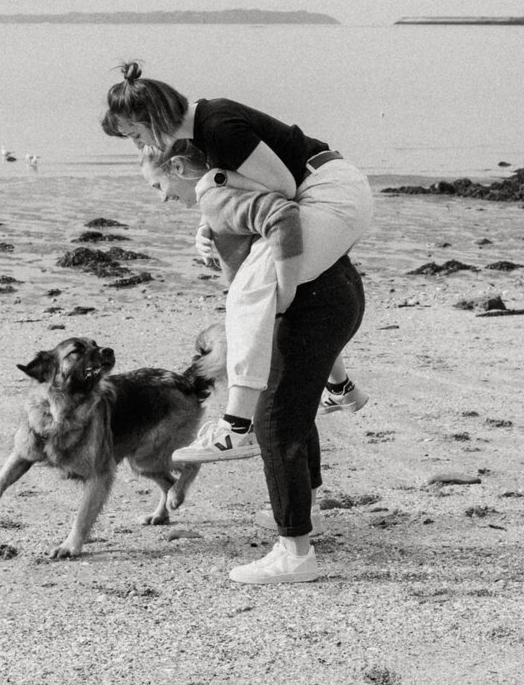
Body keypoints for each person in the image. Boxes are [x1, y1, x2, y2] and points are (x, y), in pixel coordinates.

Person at [103, 61, 372, 583]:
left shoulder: (218, 126)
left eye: (135, 134)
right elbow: (251, 198)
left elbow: (283, 195)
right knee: (260, 298)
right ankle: (337, 390)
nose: (136, 144)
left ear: (152, 117)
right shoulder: (206, 137)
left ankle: (235, 425)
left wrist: (269, 267)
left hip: (329, 192)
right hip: (329, 213)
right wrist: (215, 223)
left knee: (251, 293)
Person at [140, 142, 367, 466]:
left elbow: (278, 216)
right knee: (287, 365)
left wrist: (285, 286)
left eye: (158, 185)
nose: (161, 196)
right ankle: (341, 386)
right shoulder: (224, 188)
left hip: (318, 269)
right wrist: (208, 232)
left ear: (177, 168)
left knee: (248, 309)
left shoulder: (219, 193)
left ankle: (236, 427)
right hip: (338, 258)